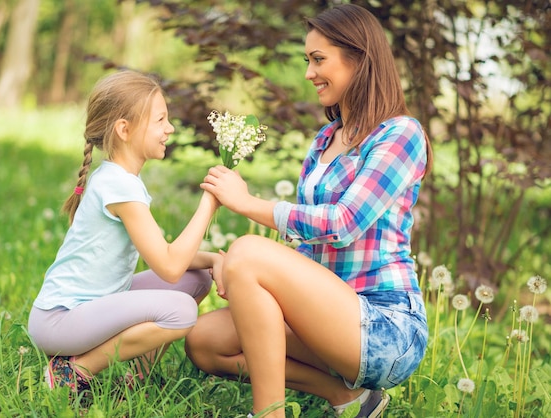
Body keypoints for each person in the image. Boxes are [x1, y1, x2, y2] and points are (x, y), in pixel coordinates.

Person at [186, 4, 433, 417]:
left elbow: (344, 223)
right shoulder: (324, 141)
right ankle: (348, 398)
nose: (308, 73)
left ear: (360, 59)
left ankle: (269, 413)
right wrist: (241, 275)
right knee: (204, 341)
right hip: (325, 315)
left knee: (249, 250)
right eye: (307, 60)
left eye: (319, 60)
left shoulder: (400, 134)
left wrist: (248, 206)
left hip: (384, 326)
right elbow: (308, 247)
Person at [27, 70, 222, 398]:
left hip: (93, 306)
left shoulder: (118, 179)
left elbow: (165, 255)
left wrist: (214, 260)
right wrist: (210, 202)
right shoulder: (120, 186)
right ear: (124, 129)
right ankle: (73, 371)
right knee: (182, 311)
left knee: (198, 279)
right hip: (60, 322)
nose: (169, 128)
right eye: (161, 119)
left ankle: (138, 382)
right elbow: (169, 266)